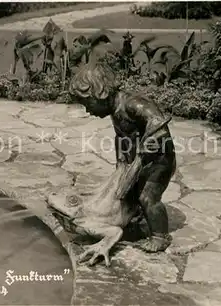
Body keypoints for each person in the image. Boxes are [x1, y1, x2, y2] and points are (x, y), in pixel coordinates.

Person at [68, 62, 177, 252]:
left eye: (87, 103)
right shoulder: (114, 109)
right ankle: (133, 223)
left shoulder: (133, 103)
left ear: (99, 93)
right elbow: (122, 136)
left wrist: (143, 153)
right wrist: (122, 162)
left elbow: (159, 126)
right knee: (129, 194)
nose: (87, 110)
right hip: (137, 161)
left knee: (147, 197)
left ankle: (160, 236)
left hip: (159, 162)